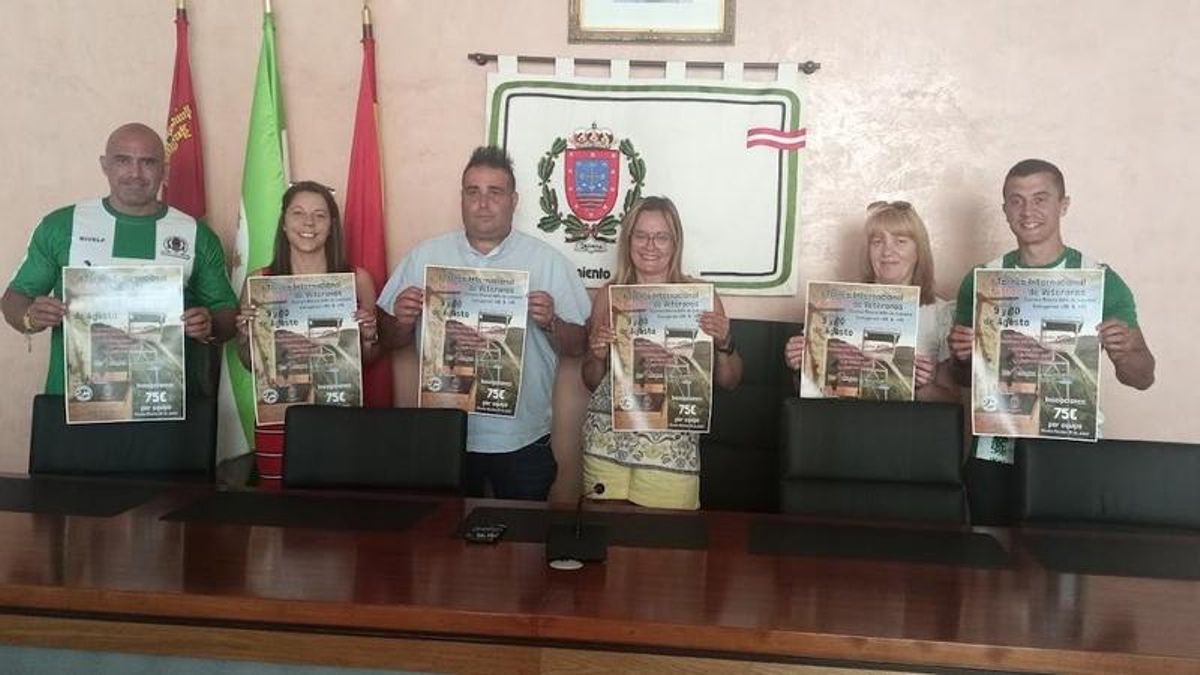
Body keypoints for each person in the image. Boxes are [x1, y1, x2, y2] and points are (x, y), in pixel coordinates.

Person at [948, 158, 1156, 523]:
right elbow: (963, 380)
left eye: (1041, 198)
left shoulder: (1098, 279)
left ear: (1063, 205)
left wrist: (1124, 353)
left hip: (1070, 446)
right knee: (988, 566)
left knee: (1064, 566)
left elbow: (1142, 377)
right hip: (996, 449)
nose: (1028, 210)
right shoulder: (983, 279)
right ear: (1005, 209)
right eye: (1016, 200)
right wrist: (962, 355)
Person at [377, 146, 589, 501]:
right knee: (443, 548)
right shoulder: (425, 256)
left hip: (522, 437)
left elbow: (579, 345)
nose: (483, 203)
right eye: (473, 192)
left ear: (514, 200)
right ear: (462, 198)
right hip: (445, 434)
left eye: (495, 192)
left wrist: (552, 322)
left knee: (523, 547)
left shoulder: (548, 262)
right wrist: (400, 320)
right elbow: (387, 338)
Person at [3, 122, 237, 396]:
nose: (135, 173)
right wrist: (31, 316)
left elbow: (228, 315)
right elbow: (15, 298)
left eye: (148, 162)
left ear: (165, 170)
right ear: (105, 165)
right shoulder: (62, 225)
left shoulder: (196, 234)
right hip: (76, 400)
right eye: (123, 160)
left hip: (166, 402)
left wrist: (209, 324)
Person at [580, 196, 743, 510]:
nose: (650, 245)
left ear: (675, 243)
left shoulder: (701, 298)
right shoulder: (608, 295)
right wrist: (597, 354)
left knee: (668, 551)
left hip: (671, 453)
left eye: (661, 236)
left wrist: (726, 343)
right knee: (605, 550)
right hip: (604, 445)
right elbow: (589, 380)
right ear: (628, 241)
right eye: (640, 235)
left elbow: (730, 381)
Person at [235, 181, 382, 487]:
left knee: (337, 510)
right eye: (298, 213)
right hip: (278, 415)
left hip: (340, 416)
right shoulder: (258, 281)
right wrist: (248, 336)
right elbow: (249, 363)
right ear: (284, 223)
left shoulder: (358, 280)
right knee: (277, 513)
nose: (308, 223)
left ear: (332, 225)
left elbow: (368, 360)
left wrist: (368, 337)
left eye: (320, 215)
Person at [783, 201, 958, 402]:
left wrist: (921, 386)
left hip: (908, 428)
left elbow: (952, 401)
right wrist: (798, 365)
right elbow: (807, 394)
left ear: (919, 251)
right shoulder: (833, 305)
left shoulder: (939, 313)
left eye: (900, 241)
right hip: (843, 422)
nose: (887, 251)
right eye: (877, 242)